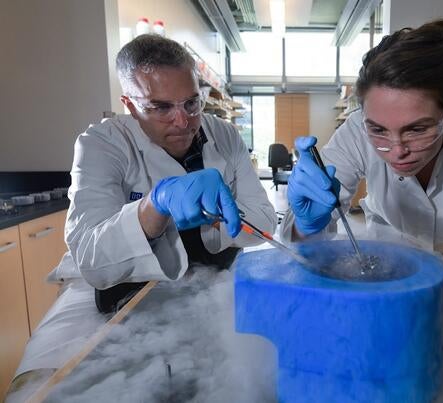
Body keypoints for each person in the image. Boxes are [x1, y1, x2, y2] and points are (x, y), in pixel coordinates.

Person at [8, 34, 275, 397]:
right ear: (130, 106)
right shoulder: (102, 144)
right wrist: (155, 205)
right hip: (103, 290)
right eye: (161, 107)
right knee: (40, 387)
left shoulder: (224, 136)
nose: (183, 120)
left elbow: (262, 222)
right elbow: (91, 258)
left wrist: (230, 217)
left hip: (209, 279)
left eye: (191, 103)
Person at [282, 20, 443, 316]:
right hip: (387, 253)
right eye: (378, 129)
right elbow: (309, 240)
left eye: (417, 129)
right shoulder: (355, 132)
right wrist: (305, 227)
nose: (396, 151)